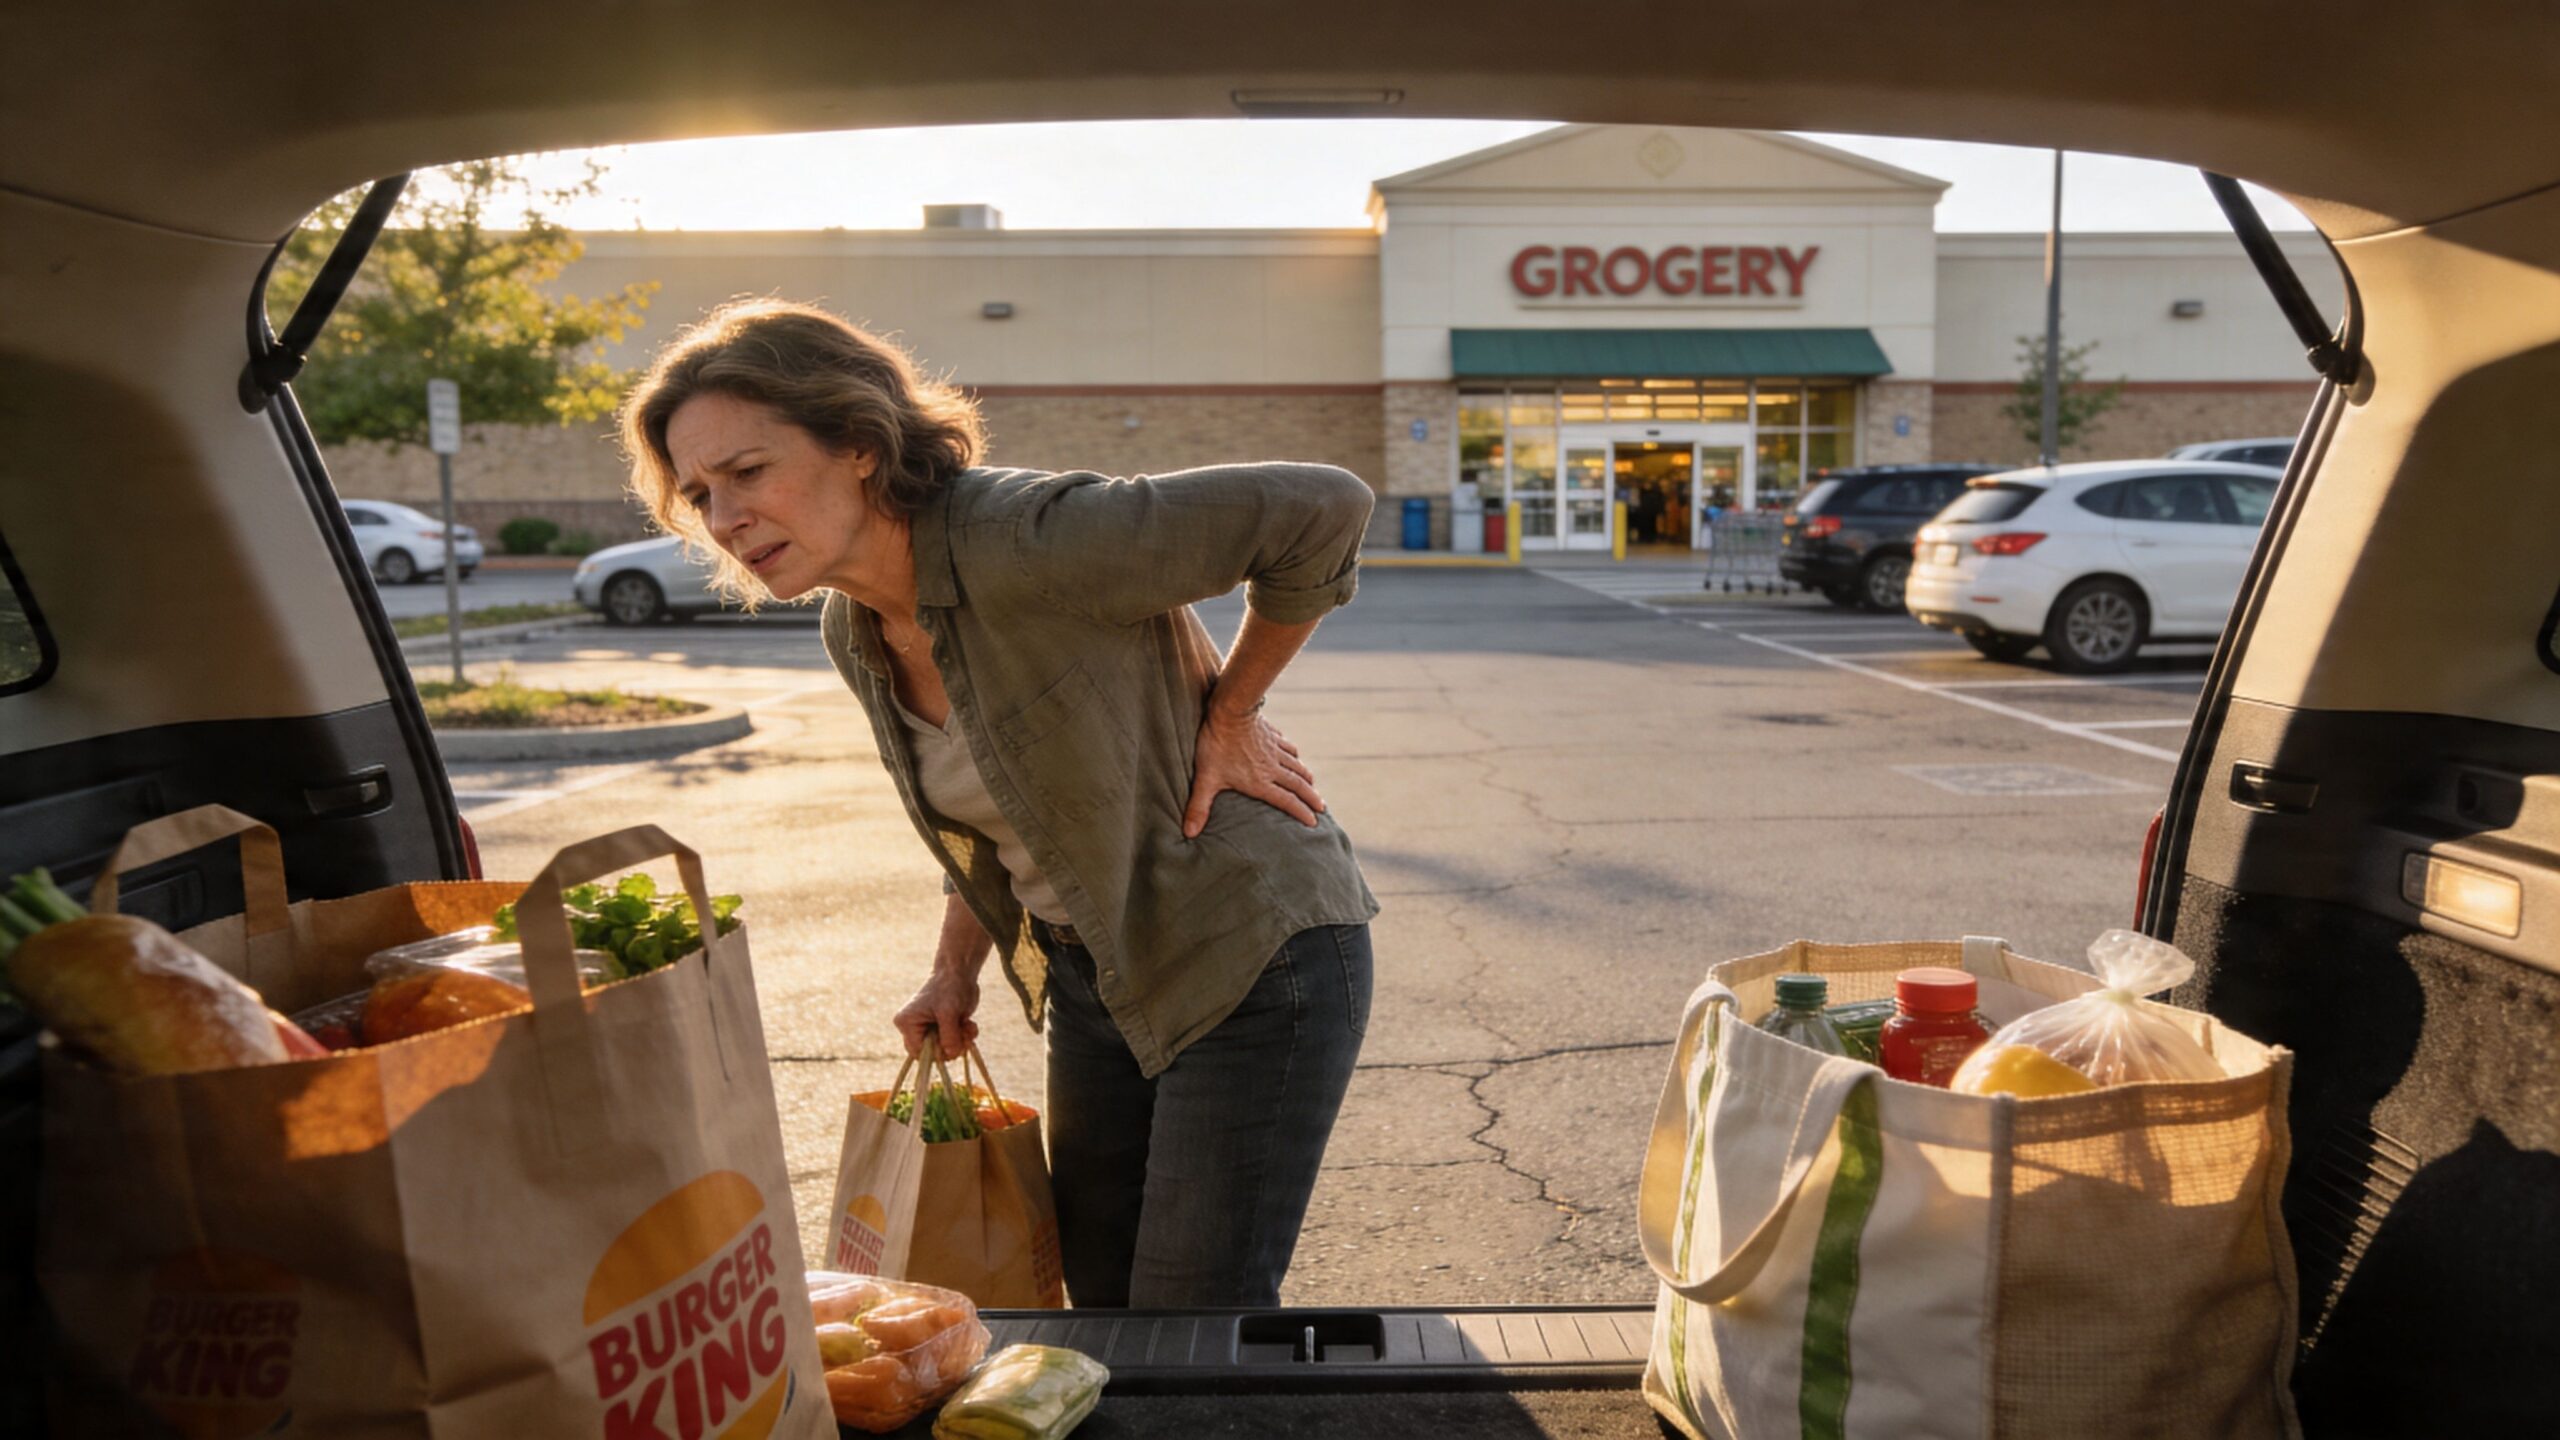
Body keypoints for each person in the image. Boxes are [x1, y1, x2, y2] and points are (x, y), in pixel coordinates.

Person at [618, 299, 1379, 1309]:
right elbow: (991, 821)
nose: (722, 519)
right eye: (699, 492)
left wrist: (1234, 710)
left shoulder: (1025, 536)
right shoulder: (855, 630)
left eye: (747, 473)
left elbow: (1322, 505)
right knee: (1099, 1294)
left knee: (1193, 1314)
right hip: (1094, 976)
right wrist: (950, 974)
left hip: (1246, 948)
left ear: (857, 443)